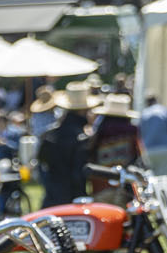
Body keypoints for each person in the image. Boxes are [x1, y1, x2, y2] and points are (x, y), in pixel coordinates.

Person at [37, 81, 95, 209]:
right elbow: (78, 175)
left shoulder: (50, 134)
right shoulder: (81, 138)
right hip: (72, 202)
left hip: (51, 199)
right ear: (83, 110)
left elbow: (42, 165)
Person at [85, 91, 141, 201]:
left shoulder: (99, 132)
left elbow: (90, 155)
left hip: (100, 185)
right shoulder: (133, 132)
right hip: (124, 185)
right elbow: (138, 156)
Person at [139, 93, 167, 180]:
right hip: (165, 149)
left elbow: (140, 134)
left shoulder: (144, 114)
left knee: (150, 179)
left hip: (148, 150)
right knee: (162, 179)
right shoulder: (165, 111)